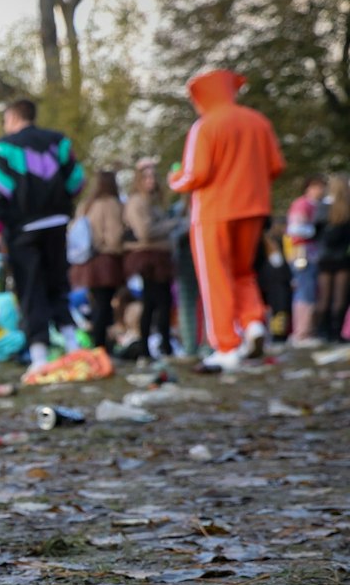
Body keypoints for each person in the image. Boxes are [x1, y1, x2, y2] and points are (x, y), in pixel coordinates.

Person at [166, 69, 286, 372]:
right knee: (243, 272)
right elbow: (275, 165)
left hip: (213, 212)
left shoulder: (205, 127)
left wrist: (175, 179)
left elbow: (197, 174)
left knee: (215, 277)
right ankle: (253, 323)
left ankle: (226, 345)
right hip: (254, 207)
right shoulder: (258, 122)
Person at [0, 99, 86, 368]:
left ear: (12, 117)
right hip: (56, 224)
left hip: (23, 229)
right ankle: (73, 346)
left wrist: (0, 228)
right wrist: (62, 204)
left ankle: (39, 356)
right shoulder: (60, 142)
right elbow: (77, 180)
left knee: (30, 289)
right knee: (58, 284)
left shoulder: (3, 148)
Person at [124, 159, 182, 360]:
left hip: (161, 256)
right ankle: (151, 348)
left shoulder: (154, 201)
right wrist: (172, 224)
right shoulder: (137, 202)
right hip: (150, 258)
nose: (150, 180)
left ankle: (160, 346)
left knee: (161, 302)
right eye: (146, 177)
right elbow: (145, 232)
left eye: (153, 176)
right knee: (154, 302)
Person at [72, 170, 128, 353]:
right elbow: (114, 236)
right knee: (104, 306)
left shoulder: (86, 206)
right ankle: (101, 346)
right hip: (106, 262)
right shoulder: (111, 204)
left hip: (87, 262)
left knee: (97, 304)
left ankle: (99, 344)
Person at [286, 176, 327, 345]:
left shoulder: (319, 205)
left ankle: (308, 330)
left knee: (312, 291)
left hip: (314, 254)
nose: (319, 190)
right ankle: (301, 332)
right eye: (316, 187)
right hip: (301, 253)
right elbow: (294, 229)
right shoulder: (301, 204)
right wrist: (315, 230)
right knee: (304, 291)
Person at [315, 176, 350, 343]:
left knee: (324, 297)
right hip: (343, 258)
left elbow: (315, 233)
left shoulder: (322, 208)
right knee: (340, 297)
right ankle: (337, 333)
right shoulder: (347, 208)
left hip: (325, 258)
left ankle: (323, 332)